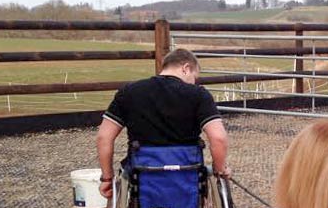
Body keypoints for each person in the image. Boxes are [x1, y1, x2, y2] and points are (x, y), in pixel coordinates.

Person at [96, 48, 229, 198]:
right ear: (186, 68)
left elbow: (104, 138)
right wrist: (220, 170)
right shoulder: (199, 95)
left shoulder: (129, 92)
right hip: (188, 170)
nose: (194, 82)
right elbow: (218, 138)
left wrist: (107, 178)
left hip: (141, 172)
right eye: (194, 77)